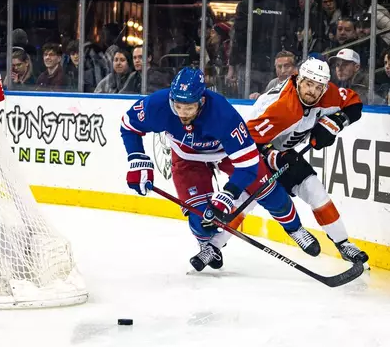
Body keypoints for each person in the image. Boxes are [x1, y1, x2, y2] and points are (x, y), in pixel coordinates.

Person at [120, 67, 320, 271]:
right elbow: (129, 126)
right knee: (201, 219)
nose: (182, 113)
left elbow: (248, 164)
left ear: (202, 101)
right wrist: (137, 158)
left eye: (189, 108)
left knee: (270, 193)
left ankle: (295, 229)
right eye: (178, 106)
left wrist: (228, 194)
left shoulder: (223, 114)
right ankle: (207, 245)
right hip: (186, 158)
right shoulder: (158, 104)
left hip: (226, 154)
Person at [244, 57, 368, 264]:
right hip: (256, 157)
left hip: (287, 154)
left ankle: (344, 244)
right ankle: (212, 245)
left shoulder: (328, 94)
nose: (312, 91)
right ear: (298, 80)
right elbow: (246, 143)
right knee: (245, 202)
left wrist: (335, 122)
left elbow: (354, 103)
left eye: (318, 87)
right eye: (308, 84)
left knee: (316, 191)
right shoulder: (278, 107)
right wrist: (273, 155)